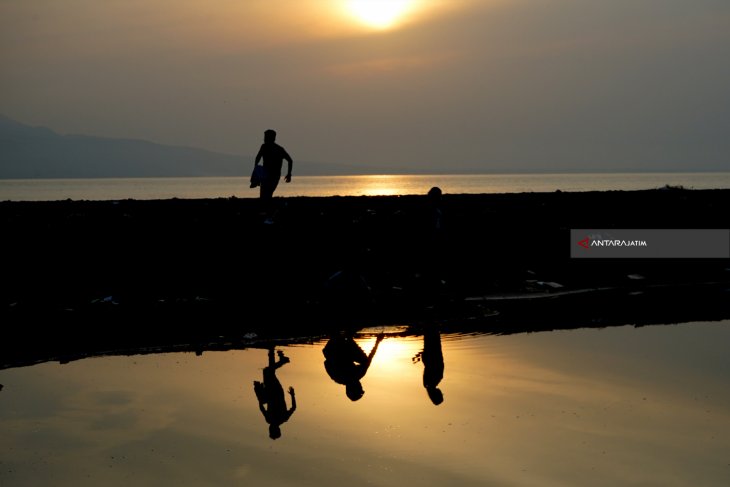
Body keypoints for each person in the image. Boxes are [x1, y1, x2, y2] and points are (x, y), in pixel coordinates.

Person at [323, 333, 384, 401]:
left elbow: (326, 362)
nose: (360, 385)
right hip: (341, 349)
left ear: (354, 387)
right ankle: (348, 338)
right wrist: (378, 341)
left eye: (359, 387)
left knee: (339, 352)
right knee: (364, 361)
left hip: (333, 348)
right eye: (360, 387)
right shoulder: (359, 374)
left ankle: (345, 337)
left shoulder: (339, 378)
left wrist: (378, 341)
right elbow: (370, 358)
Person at [253, 347, 297, 439]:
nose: (269, 429)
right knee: (267, 371)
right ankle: (282, 360)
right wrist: (260, 396)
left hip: (276, 392)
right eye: (271, 430)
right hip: (273, 392)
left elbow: (293, 408)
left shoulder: (282, 419)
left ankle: (272, 352)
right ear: (275, 429)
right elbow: (261, 407)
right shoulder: (273, 419)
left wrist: (292, 395)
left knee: (270, 371)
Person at [254, 129, 293, 200]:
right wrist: (256, 170)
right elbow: (258, 158)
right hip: (265, 174)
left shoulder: (279, 149)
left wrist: (289, 174)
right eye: (264, 137)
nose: (264, 139)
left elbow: (290, 160)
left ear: (272, 138)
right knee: (264, 195)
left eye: (266, 137)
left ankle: (266, 209)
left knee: (267, 194)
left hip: (274, 175)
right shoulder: (264, 147)